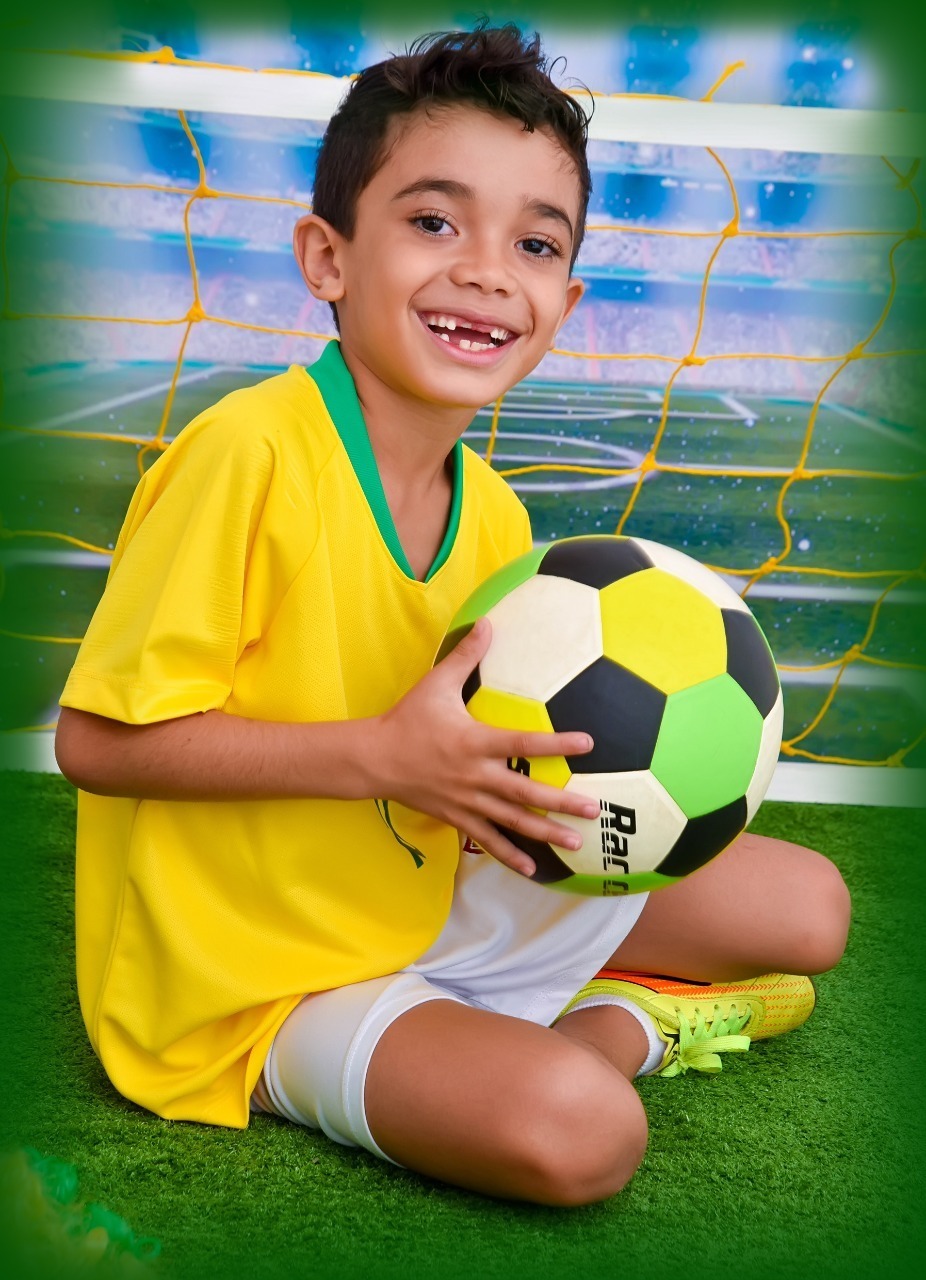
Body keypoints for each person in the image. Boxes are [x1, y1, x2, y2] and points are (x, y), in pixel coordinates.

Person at [54, 24, 850, 1207]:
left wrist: (507, 793)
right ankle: (622, 1026)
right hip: (260, 977)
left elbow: (459, 741)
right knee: (582, 1132)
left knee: (810, 906)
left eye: (533, 242)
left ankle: (513, 1008)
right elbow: (97, 743)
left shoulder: (493, 517)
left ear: (563, 302)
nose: (484, 270)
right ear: (326, 256)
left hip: (424, 888)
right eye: (434, 222)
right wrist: (383, 756)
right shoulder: (248, 457)